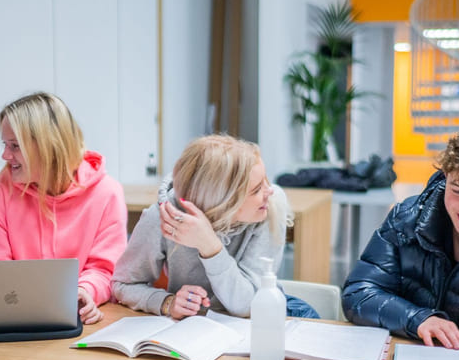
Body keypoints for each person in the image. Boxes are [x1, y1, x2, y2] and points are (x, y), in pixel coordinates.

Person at [112, 134, 318, 319]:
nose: (269, 191)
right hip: (195, 329)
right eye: (256, 190)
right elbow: (123, 284)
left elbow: (249, 306)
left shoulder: (271, 207)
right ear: (223, 202)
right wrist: (167, 303)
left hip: (258, 321)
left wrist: (210, 246)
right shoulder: (164, 217)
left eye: (266, 180)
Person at [0, 91, 127, 325]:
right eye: (5, 144)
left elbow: (105, 270)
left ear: (48, 147)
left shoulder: (107, 193)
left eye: (15, 146)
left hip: (82, 323)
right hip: (16, 321)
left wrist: (85, 292)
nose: (5, 155)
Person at [342, 125, 459, 349]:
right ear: (446, 177)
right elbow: (358, 292)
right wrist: (417, 318)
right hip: (410, 358)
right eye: (457, 191)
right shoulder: (406, 219)